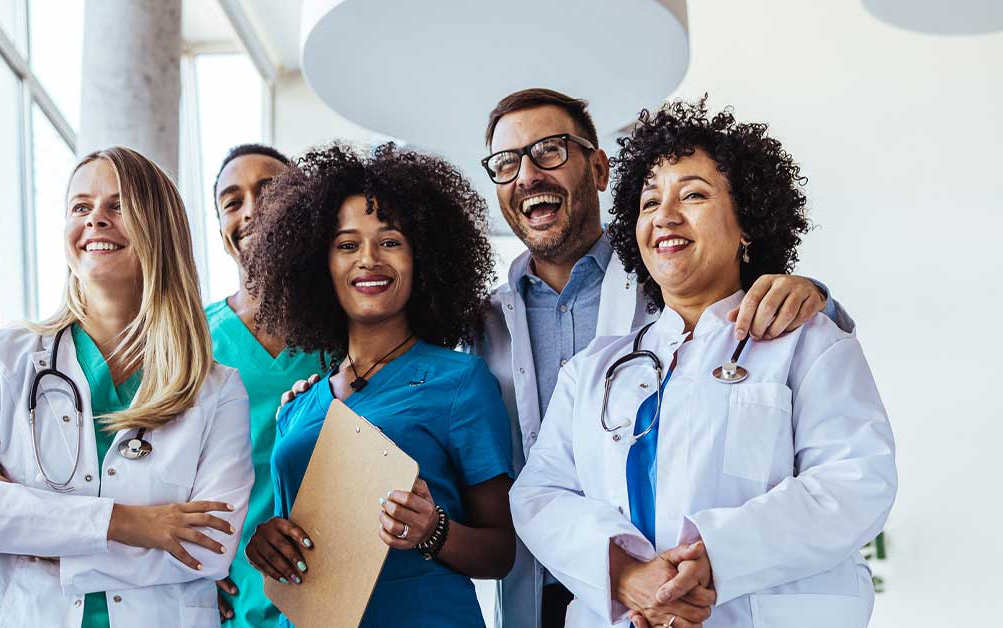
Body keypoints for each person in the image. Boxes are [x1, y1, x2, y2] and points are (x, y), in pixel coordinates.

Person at [474, 88, 855, 628]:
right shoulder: (483, 321)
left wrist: (701, 568)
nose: (528, 174)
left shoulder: (772, 322)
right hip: (566, 584)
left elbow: (849, 477)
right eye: (507, 162)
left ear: (600, 168)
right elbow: (537, 488)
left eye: (550, 150)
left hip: (735, 601)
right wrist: (625, 576)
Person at [0, 146, 254, 628]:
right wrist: (134, 524)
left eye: (118, 206)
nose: (96, 219)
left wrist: (26, 526)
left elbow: (207, 549)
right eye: (81, 207)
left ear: (159, 228)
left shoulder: (215, 390)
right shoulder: (0, 360)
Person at [242, 143, 516, 627]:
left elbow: (500, 553)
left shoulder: (461, 382)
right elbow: (299, 540)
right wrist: (267, 543)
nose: (368, 259)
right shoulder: (297, 407)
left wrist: (434, 530)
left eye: (390, 241)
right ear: (317, 266)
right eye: (347, 245)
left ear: (422, 259)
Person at [206, 143, 324, 627]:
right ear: (221, 229)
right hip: (236, 595)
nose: (251, 210)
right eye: (232, 201)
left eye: (269, 192)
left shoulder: (346, 327)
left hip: (334, 581)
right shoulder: (193, 338)